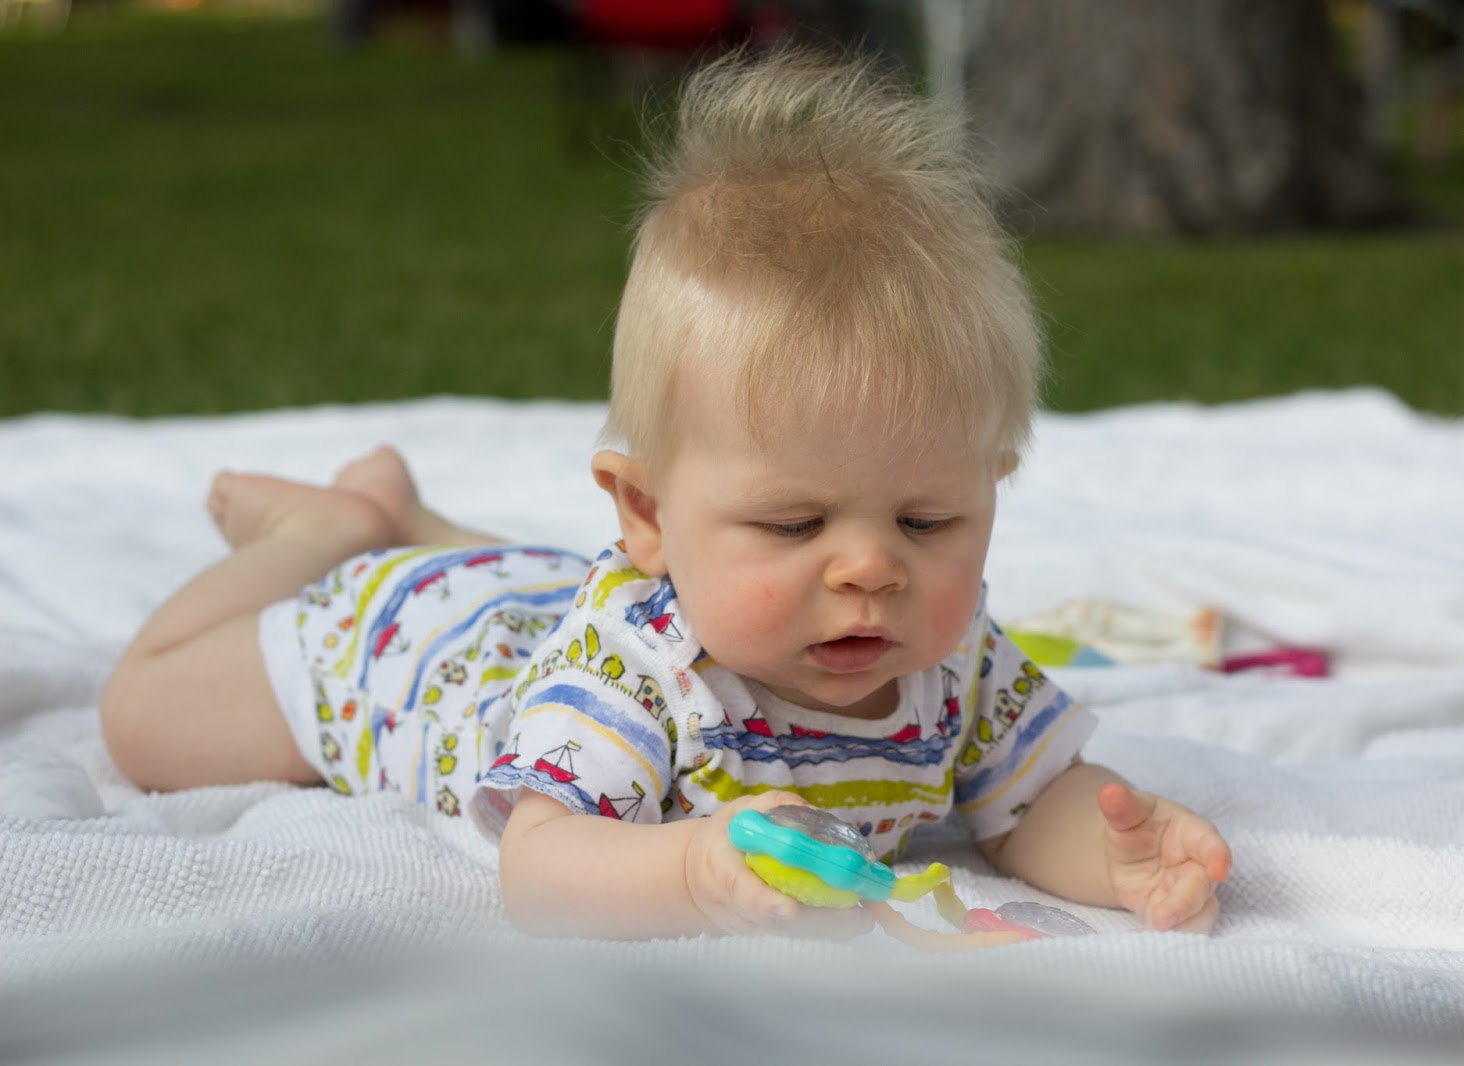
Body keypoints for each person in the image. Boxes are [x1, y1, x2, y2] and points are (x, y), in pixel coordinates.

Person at [99, 50, 1231, 942]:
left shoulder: (953, 658)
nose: (871, 567)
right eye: (794, 523)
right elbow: (539, 867)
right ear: (644, 515)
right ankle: (331, 530)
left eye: (927, 521)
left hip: (541, 598)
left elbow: (1028, 804)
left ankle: (418, 522)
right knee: (139, 718)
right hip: (405, 652)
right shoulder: (641, 678)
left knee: (558, 598)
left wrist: (1120, 853)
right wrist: (691, 866)